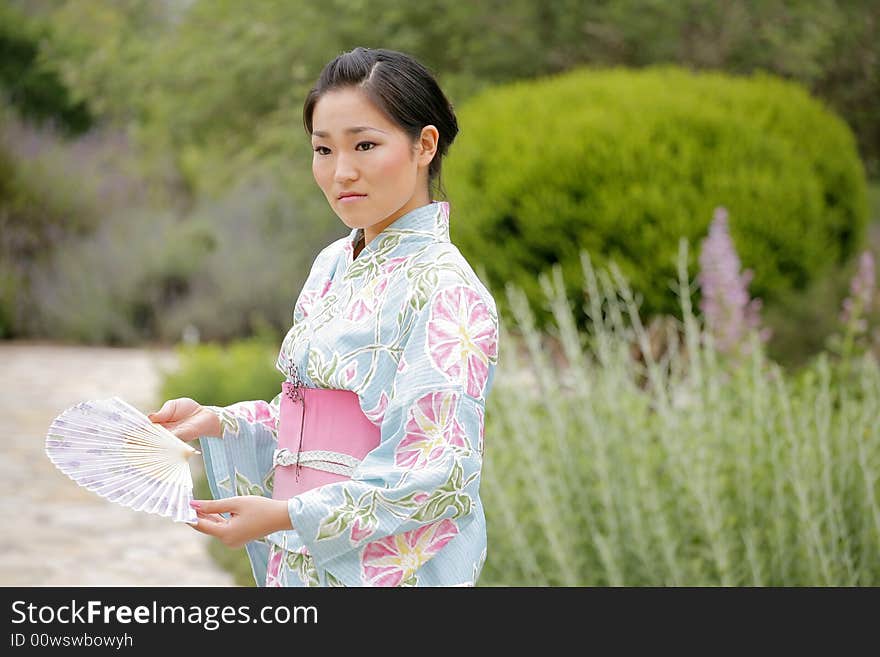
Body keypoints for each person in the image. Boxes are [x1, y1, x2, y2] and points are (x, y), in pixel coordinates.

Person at [148, 47, 499, 587]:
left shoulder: (449, 290)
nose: (342, 171)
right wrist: (221, 421)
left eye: (365, 145)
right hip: (301, 558)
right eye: (322, 149)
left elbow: (436, 472)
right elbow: (309, 425)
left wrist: (290, 515)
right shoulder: (333, 264)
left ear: (424, 144)